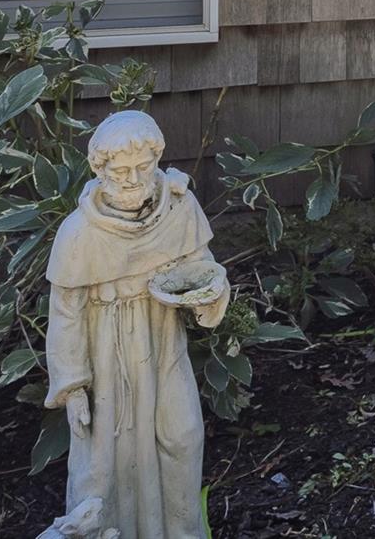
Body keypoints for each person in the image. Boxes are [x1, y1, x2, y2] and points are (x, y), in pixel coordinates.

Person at [44, 112, 228, 539]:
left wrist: (210, 297)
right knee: (105, 463)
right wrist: (72, 387)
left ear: (157, 162)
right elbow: (66, 312)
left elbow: (204, 272)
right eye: (121, 171)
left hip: (164, 344)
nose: (132, 179)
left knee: (182, 438)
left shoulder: (179, 209)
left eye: (143, 168)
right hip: (107, 357)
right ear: (100, 169)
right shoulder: (79, 234)